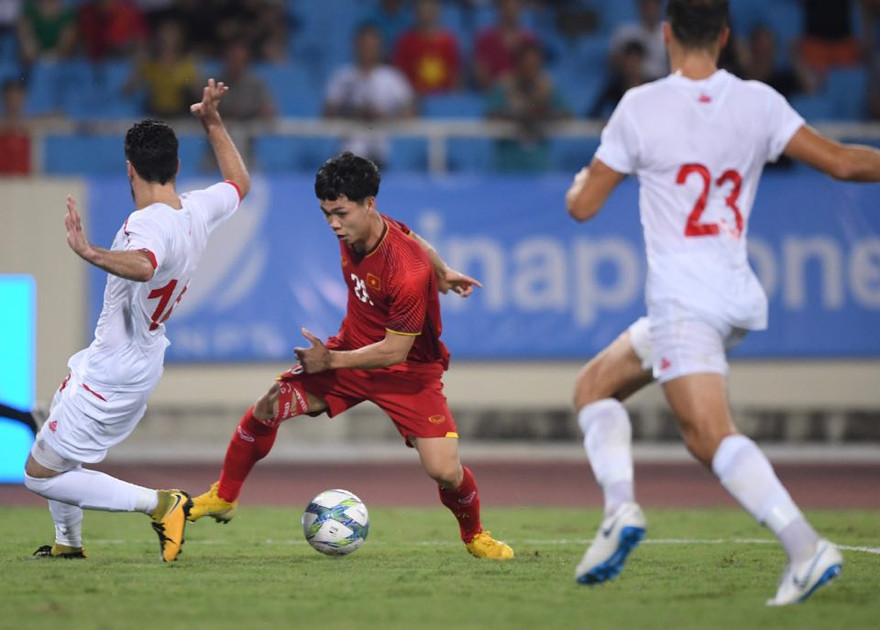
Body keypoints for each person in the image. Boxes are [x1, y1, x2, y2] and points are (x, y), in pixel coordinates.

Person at [565, 0, 880, 606]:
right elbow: (841, 162)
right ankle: (619, 510)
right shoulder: (758, 101)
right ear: (726, 36)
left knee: (708, 434)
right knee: (591, 388)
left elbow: (583, 207)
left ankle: (805, 547)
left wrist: (583, 181)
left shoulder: (641, 105)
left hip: (685, 300)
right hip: (728, 294)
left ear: (665, 34)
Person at [187, 152, 514, 562]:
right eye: (326, 214)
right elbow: (414, 235)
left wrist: (330, 363)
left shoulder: (406, 270)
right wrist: (445, 269)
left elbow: (395, 351)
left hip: (408, 373)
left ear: (369, 204)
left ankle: (475, 535)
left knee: (444, 471)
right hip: (350, 352)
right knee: (268, 404)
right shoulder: (369, 229)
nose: (333, 225)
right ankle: (225, 495)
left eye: (340, 213)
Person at [23, 78, 251, 563]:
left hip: (115, 370)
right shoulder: (195, 209)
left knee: (38, 474)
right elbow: (239, 184)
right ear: (177, 167)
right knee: (54, 442)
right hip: (128, 359)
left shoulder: (147, 223)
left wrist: (89, 251)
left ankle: (161, 504)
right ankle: (69, 544)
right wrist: (212, 122)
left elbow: (145, 263)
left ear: (130, 169)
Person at [323, 23, 416, 168]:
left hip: (383, 149)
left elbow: (411, 113)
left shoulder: (392, 78)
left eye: (372, 45)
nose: (368, 50)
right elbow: (327, 114)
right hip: (349, 151)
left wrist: (384, 117)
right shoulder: (342, 77)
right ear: (355, 46)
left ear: (380, 47)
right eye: (364, 45)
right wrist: (353, 113)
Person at [487, 40, 570, 172]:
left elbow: (567, 113)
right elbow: (491, 115)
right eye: (526, 65)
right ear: (517, 65)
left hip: (539, 164)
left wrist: (542, 116)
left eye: (534, 65)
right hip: (508, 163)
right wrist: (517, 116)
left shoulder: (546, 87)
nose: (530, 69)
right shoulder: (504, 86)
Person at [392, 0, 461, 94]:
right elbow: (399, 78)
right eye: (422, 8)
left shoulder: (448, 42)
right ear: (415, 12)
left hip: (444, 99)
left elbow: (455, 76)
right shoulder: (405, 42)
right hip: (414, 100)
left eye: (430, 8)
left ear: (437, 11)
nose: (426, 13)